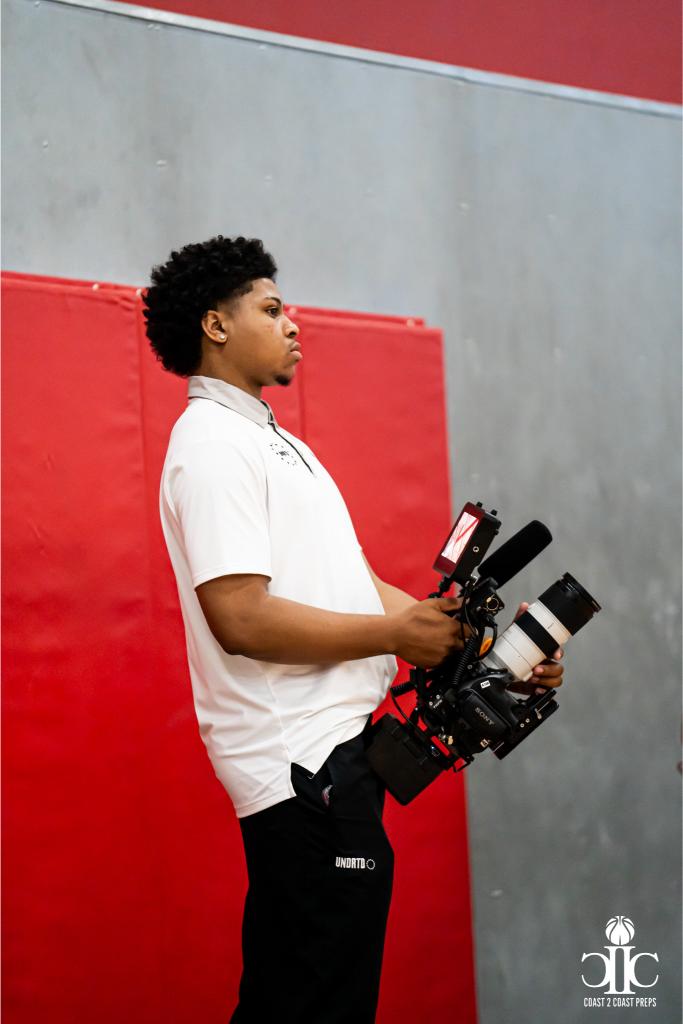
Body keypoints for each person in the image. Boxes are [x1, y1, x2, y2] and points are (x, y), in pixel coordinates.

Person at [142, 235, 564, 1023]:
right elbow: (239, 618)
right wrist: (398, 640)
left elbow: (364, 591)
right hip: (299, 771)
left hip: (337, 764)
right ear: (215, 325)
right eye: (271, 308)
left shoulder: (279, 446)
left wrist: (486, 649)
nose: (291, 322)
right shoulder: (210, 444)